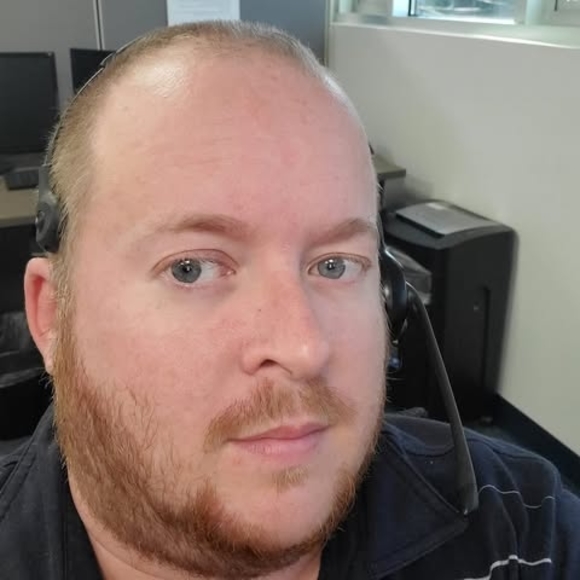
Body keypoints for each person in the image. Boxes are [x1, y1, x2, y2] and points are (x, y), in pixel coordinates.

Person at [0, 20, 578, 580]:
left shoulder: (525, 527)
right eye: (191, 268)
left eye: (334, 265)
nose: (304, 347)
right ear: (52, 317)